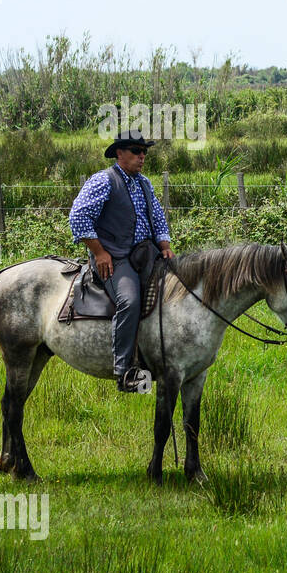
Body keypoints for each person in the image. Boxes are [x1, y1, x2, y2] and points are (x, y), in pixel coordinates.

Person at [68, 134, 176, 391]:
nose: (142, 156)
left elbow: (158, 217)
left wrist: (165, 246)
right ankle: (124, 370)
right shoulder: (104, 180)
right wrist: (99, 252)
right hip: (115, 257)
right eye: (136, 151)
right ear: (119, 153)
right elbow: (78, 216)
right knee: (130, 300)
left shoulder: (145, 183)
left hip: (146, 253)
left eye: (144, 152)